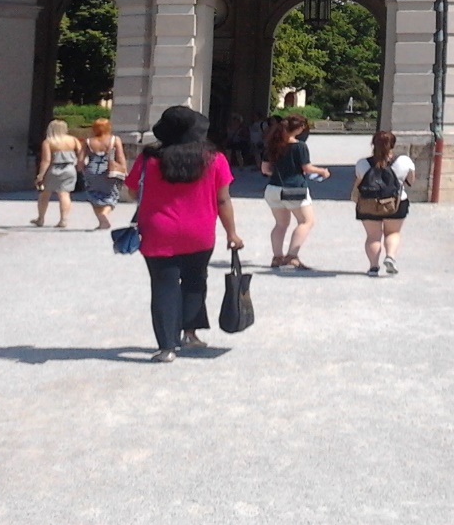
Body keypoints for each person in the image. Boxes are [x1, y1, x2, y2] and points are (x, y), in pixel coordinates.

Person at [130, 106, 243, 363]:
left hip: (158, 230)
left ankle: (167, 347)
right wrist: (232, 233)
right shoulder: (214, 159)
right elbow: (223, 200)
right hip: (200, 230)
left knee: (163, 285)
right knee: (195, 281)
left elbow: (131, 191)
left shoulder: (149, 159)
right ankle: (190, 334)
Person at [261, 113, 329, 270]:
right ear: (298, 129)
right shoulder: (299, 146)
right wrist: (322, 171)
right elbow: (307, 168)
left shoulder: (272, 144)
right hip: (294, 189)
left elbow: (265, 169)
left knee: (280, 224)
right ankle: (292, 256)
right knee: (306, 221)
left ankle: (277, 257)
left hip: (273, 188)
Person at [352, 130, 416, 276]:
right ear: (393, 145)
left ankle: (373, 267)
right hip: (395, 204)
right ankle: (390, 257)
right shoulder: (404, 161)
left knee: (373, 236)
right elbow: (411, 181)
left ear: (373, 144)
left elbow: (358, 181)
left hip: (369, 204)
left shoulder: (362, 163)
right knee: (393, 233)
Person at [32, 119, 86, 228]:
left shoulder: (48, 142)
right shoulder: (73, 140)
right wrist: (79, 165)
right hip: (69, 169)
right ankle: (63, 219)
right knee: (64, 194)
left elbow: (46, 160)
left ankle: (41, 218)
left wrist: (40, 175)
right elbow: (81, 153)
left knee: (44, 194)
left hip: (53, 169)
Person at [82, 118, 126, 229]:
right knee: (112, 194)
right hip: (108, 170)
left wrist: (83, 171)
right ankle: (104, 214)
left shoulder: (88, 141)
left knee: (93, 194)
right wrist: (124, 170)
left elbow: (80, 161)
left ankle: (102, 222)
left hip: (91, 170)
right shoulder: (115, 140)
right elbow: (120, 157)